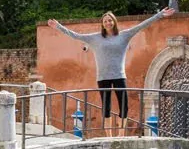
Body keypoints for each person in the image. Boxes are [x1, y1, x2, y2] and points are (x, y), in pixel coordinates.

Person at [49, 8, 175, 136]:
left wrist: (159, 15)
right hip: (103, 77)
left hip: (119, 76)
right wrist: (59, 26)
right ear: (102, 24)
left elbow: (142, 25)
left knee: (124, 106)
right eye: (105, 21)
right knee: (106, 108)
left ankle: (121, 134)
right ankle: (108, 136)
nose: (108, 23)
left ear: (114, 22)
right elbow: (75, 35)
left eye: (110, 20)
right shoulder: (95, 38)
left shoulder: (124, 35)